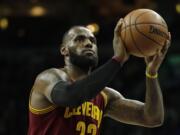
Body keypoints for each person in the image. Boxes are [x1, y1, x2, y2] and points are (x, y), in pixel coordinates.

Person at [28, 19, 171, 135]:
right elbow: (71, 96)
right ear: (64, 50)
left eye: (93, 41)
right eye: (79, 39)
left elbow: (153, 118)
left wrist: (151, 73)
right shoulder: (47, 78)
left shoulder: (105, 95)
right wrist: (118, 59)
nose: (89, 43)